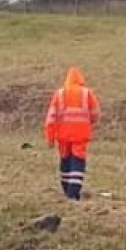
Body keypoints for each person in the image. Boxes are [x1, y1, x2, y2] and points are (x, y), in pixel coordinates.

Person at [43, 66, 100, 200]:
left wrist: (50, 137)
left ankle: (65, 187)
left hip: (63, 135)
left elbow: (51, 118)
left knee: (65, 160)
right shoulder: (87, 93)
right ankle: (73, 192)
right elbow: (96, 114)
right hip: (80, 134)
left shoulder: (59, 94)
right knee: (78, 161)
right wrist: (88, 122)